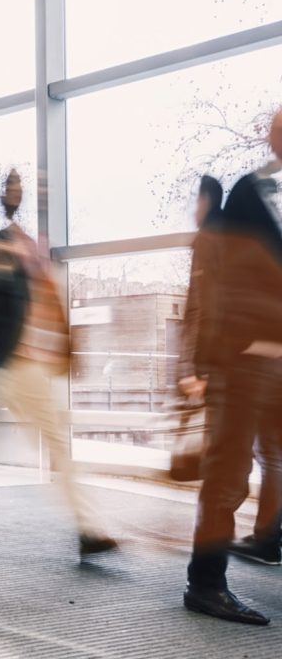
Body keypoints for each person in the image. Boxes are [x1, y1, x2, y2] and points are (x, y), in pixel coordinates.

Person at [0, 169, 117, 556]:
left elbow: (46, 310)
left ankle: (86, 527)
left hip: (26, 366)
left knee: (45, 442)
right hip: (2, 362)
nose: (18, 193)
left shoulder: (33, 249)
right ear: (4, 196)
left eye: (23, 188)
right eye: (12, 187)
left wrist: (65, 351)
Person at [179, 111, 282, 626]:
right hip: (245, 361)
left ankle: (265, 541)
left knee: (263, 465)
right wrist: (200, 367)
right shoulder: (250, 195)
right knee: (227, 475)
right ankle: (206, 583)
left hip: (270, 360)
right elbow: (215, 297)